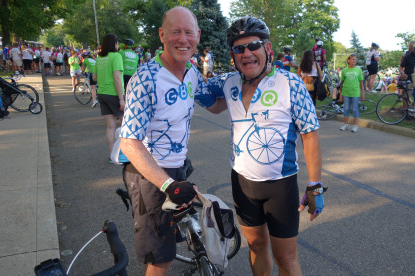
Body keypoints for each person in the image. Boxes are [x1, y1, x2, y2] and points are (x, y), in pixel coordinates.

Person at [201, 16, 324, 276]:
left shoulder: (290, 84)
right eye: (238, 48)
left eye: (253, 45)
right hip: (242, 182)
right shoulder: (228, 82)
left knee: (286, 258)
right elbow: (208, 101)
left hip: (280, 185)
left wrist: (315, 185)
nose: (246, 53)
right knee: (256, 246)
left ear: (267, 49)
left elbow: (310, 135)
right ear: (233, 55)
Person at [119, 7, 225, 276]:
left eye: (188, 32)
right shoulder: (146, 78)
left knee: (171, 240)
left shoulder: (190, 72)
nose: (183, 39)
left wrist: (248, 86)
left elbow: (214, 105)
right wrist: (169, 184)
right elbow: (129, 142)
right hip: (150, 176)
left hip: (176, 170)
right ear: (162, 34)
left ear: (198, 36)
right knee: (160, 258)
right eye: (175, 32)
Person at [92, 34, 125, 157]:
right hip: (114, 94)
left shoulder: (99, 58)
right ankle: (126, 154)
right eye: (117, 42)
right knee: (125, 124)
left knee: (110, 127)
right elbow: (117, 77)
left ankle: (112, 155)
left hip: (102, 93)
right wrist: (121, 99)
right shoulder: (116, 56)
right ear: (114, 44)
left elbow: (94, 77)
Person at [339, 53, 364, 132]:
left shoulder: (358, 70)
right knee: (346, 108)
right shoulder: (344, 70)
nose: (354, 61)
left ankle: (355, 126)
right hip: (346, 92)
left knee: (354, 109)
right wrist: (340, 95)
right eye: (353, 59)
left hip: (355, 92)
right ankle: (346, 124)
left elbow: (361, 83)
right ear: (348, 60)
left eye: (355, 59)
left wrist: (362, 94)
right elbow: (341, 84)